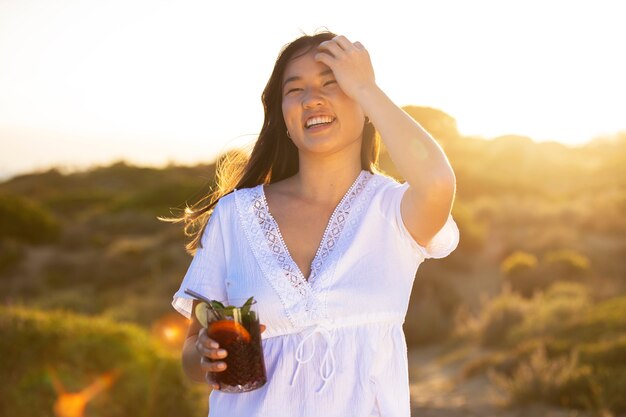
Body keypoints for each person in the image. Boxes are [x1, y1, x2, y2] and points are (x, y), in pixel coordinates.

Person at [171, 30, 459, 417]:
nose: (312, 99)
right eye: (295, 90)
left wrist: (366, 87)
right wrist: (204, 353)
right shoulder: (235, 215)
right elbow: (191, 352)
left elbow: (438, 182)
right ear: (283, 116)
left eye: (332, 82)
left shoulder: (392, 210)